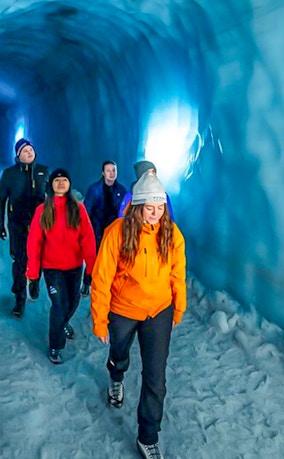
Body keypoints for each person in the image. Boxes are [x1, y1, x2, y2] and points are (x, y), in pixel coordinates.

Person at [91, 172, 186, 459]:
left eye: (160, 208)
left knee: (156, 376)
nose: (156, 214)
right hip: (123, 310)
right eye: (150, 208)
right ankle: (116, 376)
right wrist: (99, 318)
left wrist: (178, 306)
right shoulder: (117, 232)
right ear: (137, 207)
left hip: (158, 311)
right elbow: (102, 277)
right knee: (119, 353)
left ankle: (147, 436)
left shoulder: (171, 233)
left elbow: (177, 274)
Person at [26, 168, 96, 365]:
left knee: (73, 302)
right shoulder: (43, 210)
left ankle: (63, 323)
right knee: (59, 305)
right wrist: (33, 276)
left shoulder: (78, 208)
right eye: (57, 180)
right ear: (52, 185)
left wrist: (89, 272)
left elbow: (88, 239)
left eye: (65, 180)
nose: (61, 183)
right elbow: (34, 243)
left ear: (69, 184)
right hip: (52, 268)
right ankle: (55, 345)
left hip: (74, 267)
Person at [0, 138, 48, 317]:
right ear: (18, 155)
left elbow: (53, 197)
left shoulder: (43, 171)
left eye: (31, 149)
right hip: (17, 224)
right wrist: (0, 224)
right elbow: (1, 199)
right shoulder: (10, 174)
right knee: (19, 261)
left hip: (39, 225)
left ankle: (34, 282)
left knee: (38, 258)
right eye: (25, 151)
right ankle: (19, 298)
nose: (29, 153)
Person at [84, 160, 127, 257]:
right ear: (103, 173)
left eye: (114, 170)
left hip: (116, 230)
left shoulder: (122, 189)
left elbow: (125, 211)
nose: (111, 173)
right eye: (108, 171)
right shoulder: (94, 189)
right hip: (98, 229)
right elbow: (87, 211)